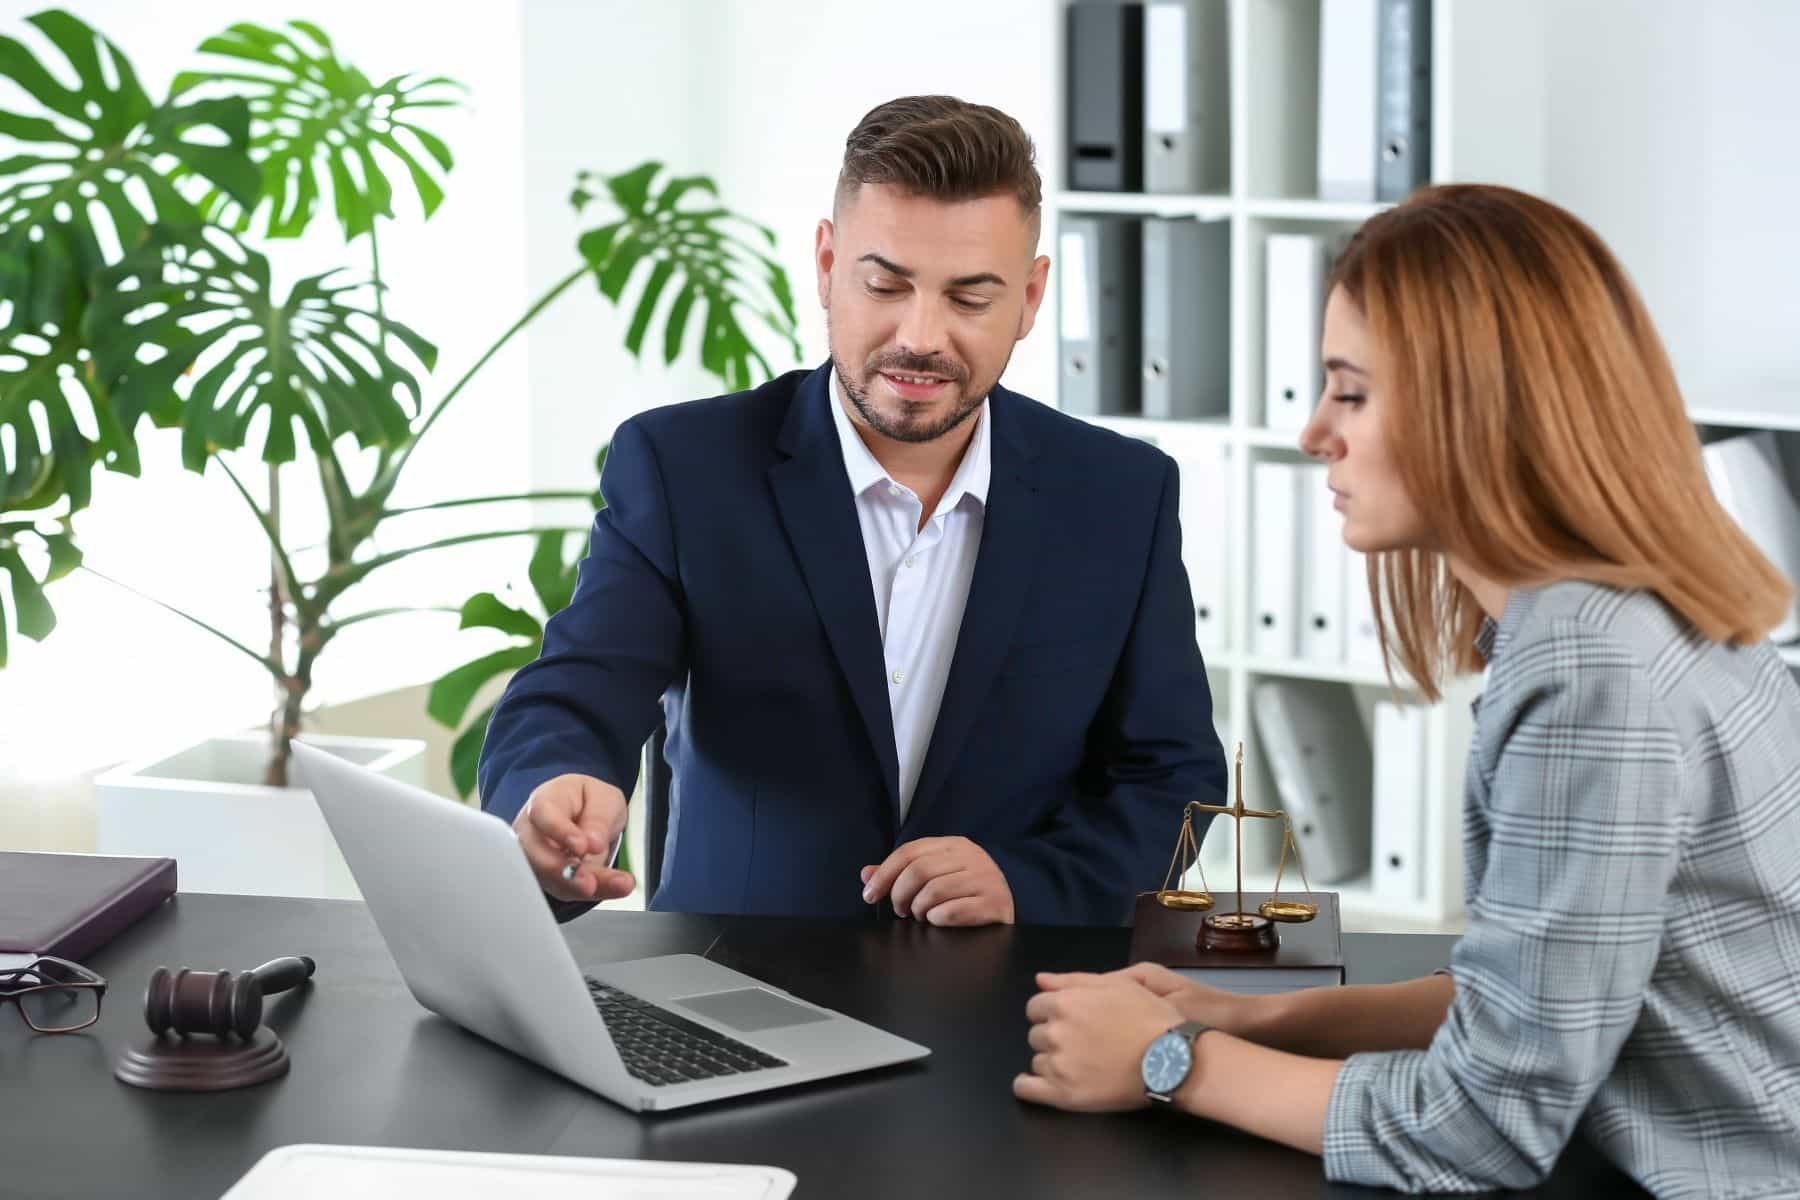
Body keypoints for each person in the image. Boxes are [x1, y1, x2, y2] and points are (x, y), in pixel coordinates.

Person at [1014, 184, 1800, 1197]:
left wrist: (1173, 1064)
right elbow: (1536, 995)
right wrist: (1260, 1016)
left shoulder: (1588, 672)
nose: (1313, 434)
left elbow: (1483, 1126)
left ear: (1471, 404)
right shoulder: (1626, 610)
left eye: (1350, 392)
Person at [478, 95, 1227, 927]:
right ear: (829, 264)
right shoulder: (685, 468)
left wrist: (1028, 882)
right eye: (886, 284)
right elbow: (578, 691)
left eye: (970, 299)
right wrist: (551, 789)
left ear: (1031, 295)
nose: (921, 336)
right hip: (737, 990)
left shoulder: (1122, 494)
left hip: (1014, 1006)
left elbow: (1171, 776)